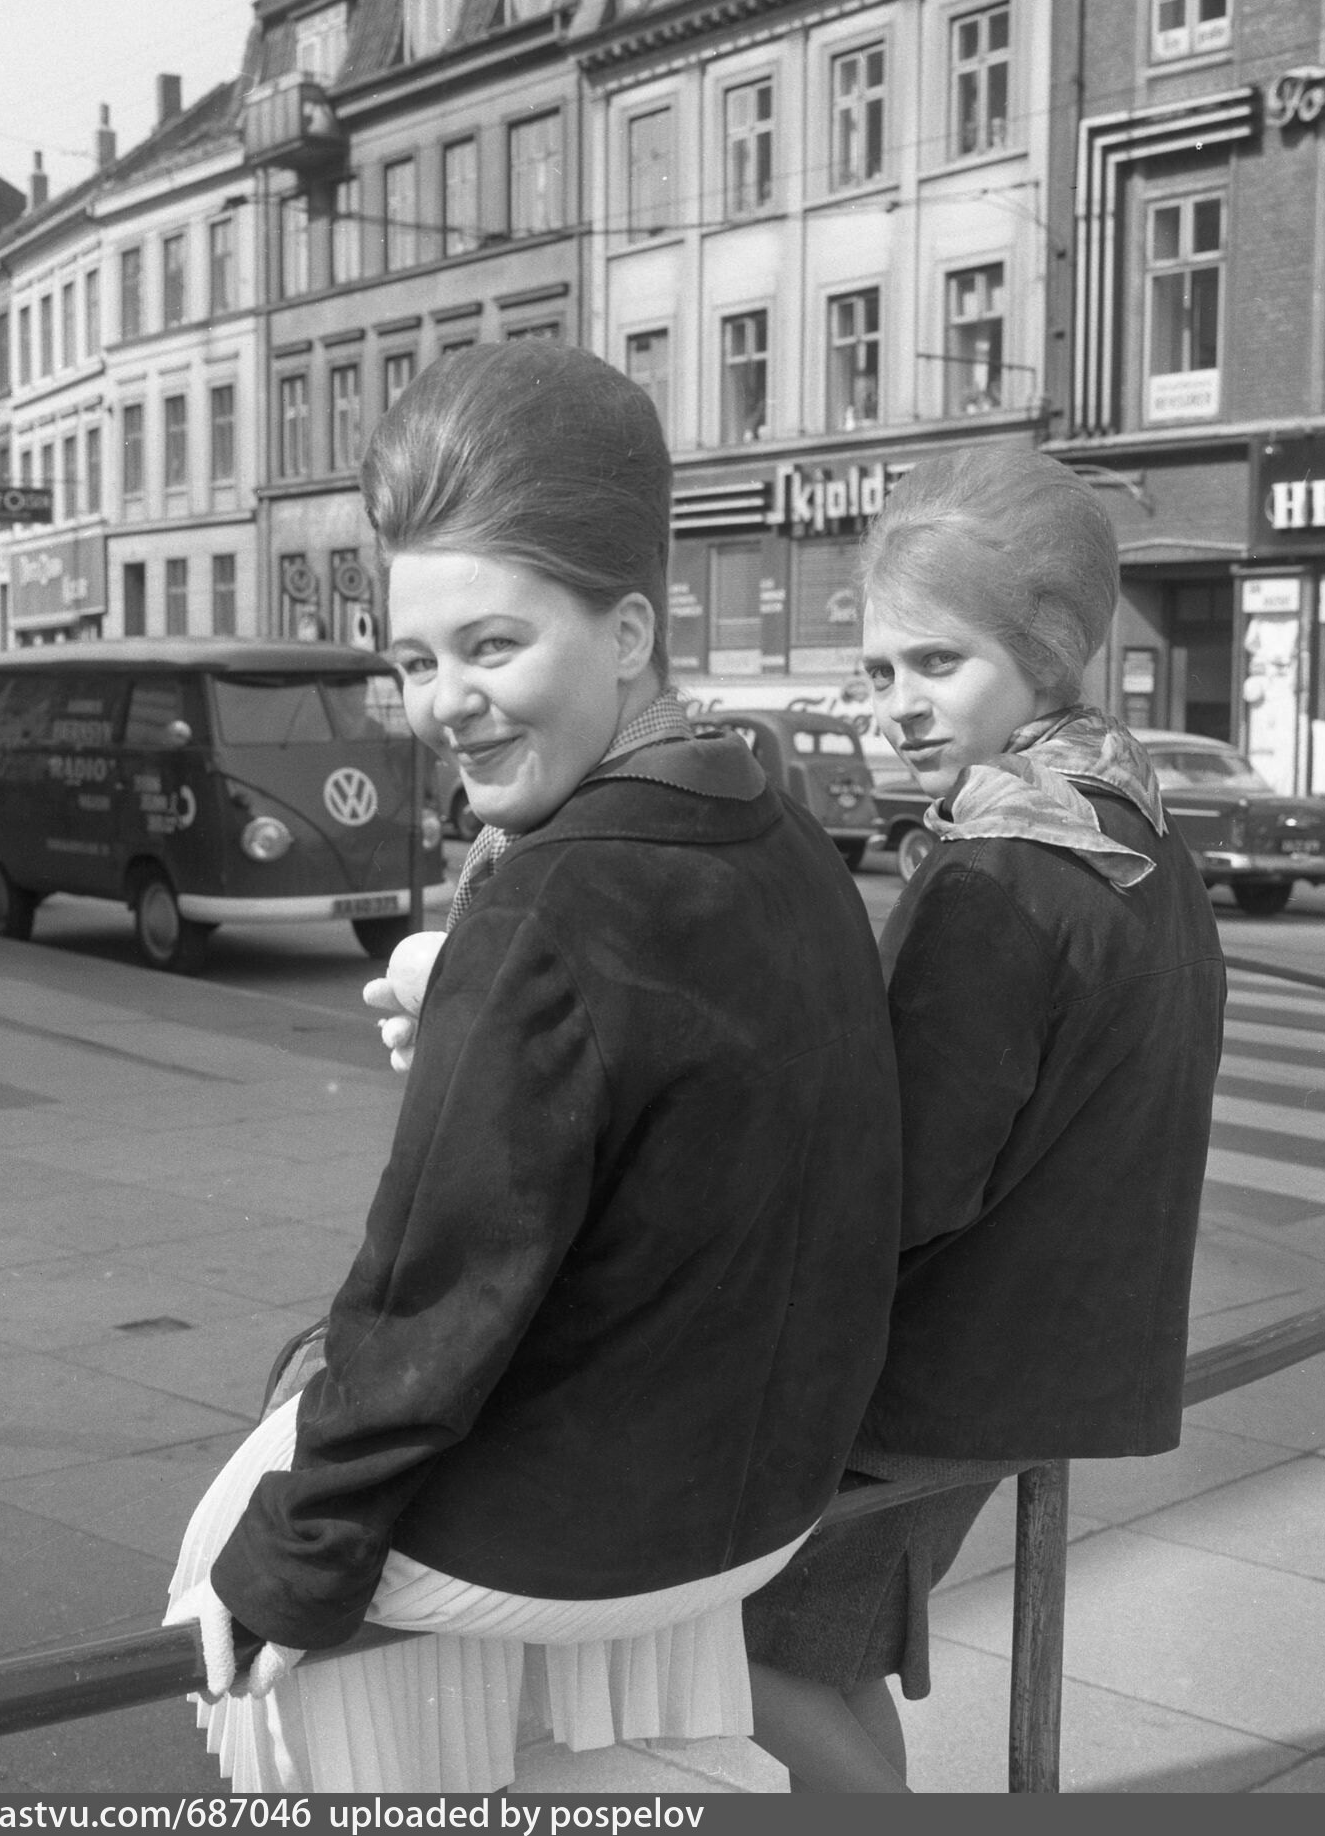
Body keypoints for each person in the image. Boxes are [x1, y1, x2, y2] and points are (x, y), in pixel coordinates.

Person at [163, 343, 901, 1792]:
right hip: (766, 1488)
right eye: (415, 660)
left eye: (493, 647)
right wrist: (488, 1033)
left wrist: (293, 1562)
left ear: (626, 633)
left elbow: (438, 1287)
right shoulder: (778, 827)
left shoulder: (552, 901)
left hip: (592, 1524)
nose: (445, 702)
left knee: (232, 1561)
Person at [741, 448, 1226, 1791]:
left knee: (712, 1636)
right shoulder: (1130, 829)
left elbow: (910, 1175)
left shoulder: (999, 866)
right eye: (879, 670)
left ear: (1048, 646)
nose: (896, 704)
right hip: (1048, 1349)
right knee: (826, 1650)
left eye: (937, 663)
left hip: (939, 1362)